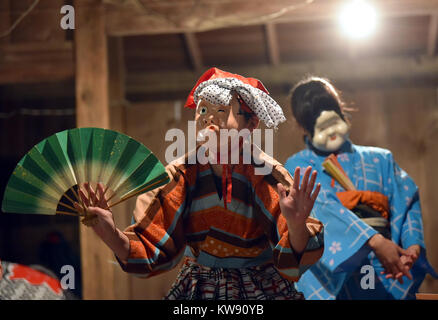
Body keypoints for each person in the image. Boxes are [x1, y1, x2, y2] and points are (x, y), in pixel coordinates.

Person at [73, 67, 324, 300]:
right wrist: (112, 235)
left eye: (222, 111)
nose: (208, 119)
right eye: (203, 110)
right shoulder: (178, 175)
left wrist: (296, 225)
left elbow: (294, 261)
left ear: (251, 124)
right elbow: (152, 243)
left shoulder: (267, 174)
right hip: (198, 286)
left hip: (258, 286)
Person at [284, 76, 437, 300]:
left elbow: (406, 199)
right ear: (302, 126)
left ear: (341, 109)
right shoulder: (298, 165)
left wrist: (411, 247)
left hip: (386, 266)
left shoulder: (381, 159)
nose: (329, 129)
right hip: (331, 277)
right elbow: (322, 209)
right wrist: (374, 241)